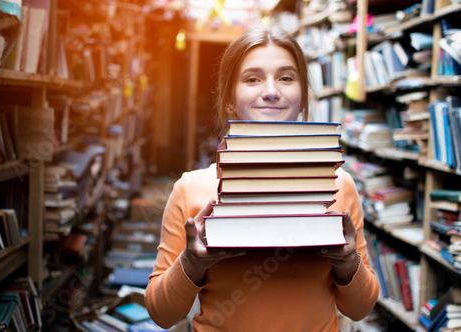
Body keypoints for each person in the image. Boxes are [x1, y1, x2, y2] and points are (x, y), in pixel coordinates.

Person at [144, 26, 379, 331]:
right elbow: (162, 315)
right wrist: (191, 264)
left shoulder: (337, 185)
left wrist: (349, 263)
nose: (271, 91)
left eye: (286, 78)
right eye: (253, 79)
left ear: (302, 99)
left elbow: (360, 310)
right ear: (230, 100)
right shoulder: (192, 190)